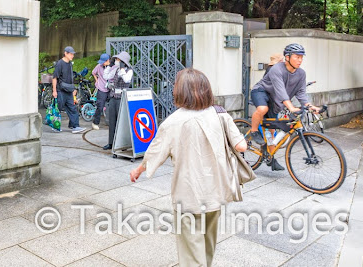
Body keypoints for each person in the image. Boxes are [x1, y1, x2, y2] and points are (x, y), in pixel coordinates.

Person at [130, 68, 247, 267]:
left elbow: (154, 154)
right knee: (208, 242)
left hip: (189, 193)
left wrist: (138, 171)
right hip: (216, 190)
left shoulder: (173, 121)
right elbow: (241, 146)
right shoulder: (220, 114)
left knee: (191, 251)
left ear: (180, 91)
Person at [247, 43, 320, 148]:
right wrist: (291, 108)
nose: (300, 60)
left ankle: (270, 158)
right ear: (287, 57)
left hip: (274, 99)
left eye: (301, 57)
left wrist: (310, 106)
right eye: (297, 57)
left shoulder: (301, 74)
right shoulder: (276, 69)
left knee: (272, 134)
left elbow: (301, 93)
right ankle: (254, 131)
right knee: (263, 109)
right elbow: (281, 91)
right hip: (261, 91)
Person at [102, 51, 133, 150]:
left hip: (122, 98)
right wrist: (109, 67)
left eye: (118, 60)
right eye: (116, 59)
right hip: (113, 97)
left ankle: (122, 143)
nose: (116, 61)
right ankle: (111, 143)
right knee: (112, 121)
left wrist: (123, 69)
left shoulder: (129, 71)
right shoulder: (115, 70)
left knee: (121, 122)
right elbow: (106, 76)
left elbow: (126, 80)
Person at [52, 46, 86, 133]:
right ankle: (55, 126)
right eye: (71, 54)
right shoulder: (60, 64)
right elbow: (54, 78)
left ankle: (75, 126)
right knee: (58, 108)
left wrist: (73, 88)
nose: (72, 56)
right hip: (61, 90)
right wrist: (54, 90)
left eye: (73, 54)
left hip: (68, 90)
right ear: (65, 53)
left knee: (72, 108)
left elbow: (70, 77)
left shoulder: (70, 64)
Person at [90, 53, 111, 131]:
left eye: (103, 61)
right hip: (101, 88)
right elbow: (93, 72)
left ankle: (112, 122)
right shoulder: (99, 66)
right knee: (100, 106)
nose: (102, 63)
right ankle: (95, 123)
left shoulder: (112, 67)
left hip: (110, 89)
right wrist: (97, 81)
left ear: (108, 60)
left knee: (112, 105)